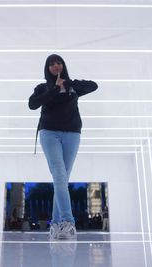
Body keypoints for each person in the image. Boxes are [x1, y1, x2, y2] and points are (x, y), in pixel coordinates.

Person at [28, 54, 98, 239]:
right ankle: (68, 222)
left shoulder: (72, 86)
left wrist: (70, 84)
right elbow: (32, 104)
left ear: (63, 65)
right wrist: (54, 89)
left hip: (72, 134)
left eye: (58, 62)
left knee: (62, 179)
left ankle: (56, 224)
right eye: (51, 64)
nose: (55, 66)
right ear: (47, 68)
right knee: (59, 174)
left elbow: (93, 85)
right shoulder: (42, 88)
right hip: (49, 133)